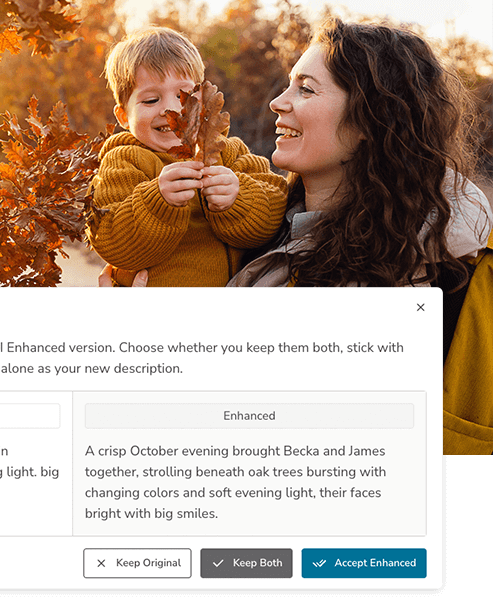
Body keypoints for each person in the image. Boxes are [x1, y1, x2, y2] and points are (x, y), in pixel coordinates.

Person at [99, 19, 493, 454]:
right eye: (288, 85)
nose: (275, 102)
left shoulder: (454, 273)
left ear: (370, 119)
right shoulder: (268, 241)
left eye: (305, 89)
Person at [87, 26, 289, 287]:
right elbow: (111, 240)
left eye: (184, 95)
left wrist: (239, 198)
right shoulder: (123, 162)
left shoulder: (227, 152)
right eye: (150, 100)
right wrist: (157, 202)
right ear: (124, 117)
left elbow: (277, 211)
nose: (170, 108)